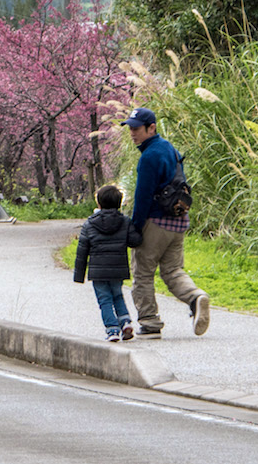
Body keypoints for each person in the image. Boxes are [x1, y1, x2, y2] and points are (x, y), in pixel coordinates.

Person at [125, 106, 209, 335]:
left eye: (137, 129)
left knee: (143, 273)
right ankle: (196, 297)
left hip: (156, 222)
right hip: (179, 219)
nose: (132, 133)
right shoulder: (169, 148)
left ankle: (150, 323)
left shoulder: (149, 156)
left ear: (151, 128)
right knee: (172, 270)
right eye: (130, 129)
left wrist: (136, 226)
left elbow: (142, 196)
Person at [73, 183, 140, 341]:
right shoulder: (124, 221)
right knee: (117, 295)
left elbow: (82, 250)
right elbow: (135, 241)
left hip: (98, 271)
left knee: (104, 300)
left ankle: (112, 330)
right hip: (118, 269)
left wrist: (79, 275)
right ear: (119, 203)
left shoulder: (89, 223)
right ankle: (125, 322)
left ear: (99, 203)